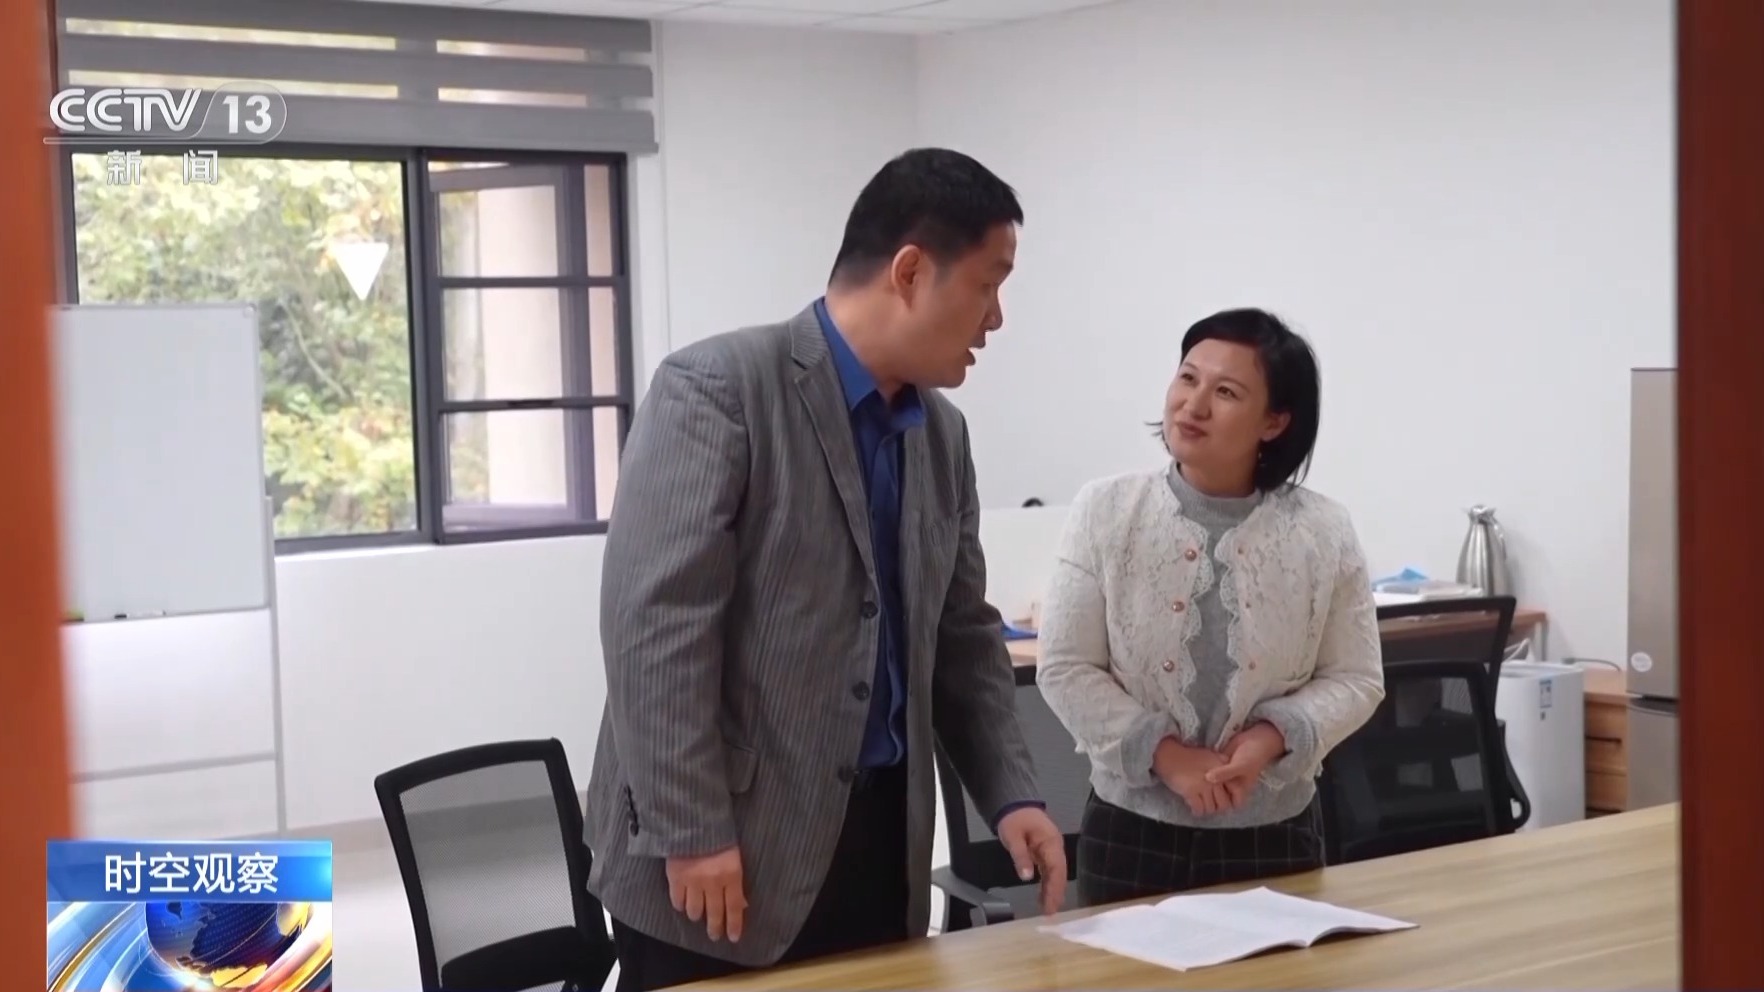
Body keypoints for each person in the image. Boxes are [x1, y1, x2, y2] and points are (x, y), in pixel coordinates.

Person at [585, 147, 1068, 991]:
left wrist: (1012, 793)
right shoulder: (718, 389)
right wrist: (691, 830)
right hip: (725, 846)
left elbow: (962, 635)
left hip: (879, 844)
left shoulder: (941, 436)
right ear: (910, 272)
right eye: (988, 285)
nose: (995, 319)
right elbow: (654, 629)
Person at [1036, 307, 1384, 907]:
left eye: (1225, 392)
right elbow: (1065, 667)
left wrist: (1269, 739)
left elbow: (1357, 677)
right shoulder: (1106, 510)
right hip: (1132, 834)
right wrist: (1167, 757)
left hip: (1275, 833)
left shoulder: (1323, 530)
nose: (1192, 405)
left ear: (1274, 421)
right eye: (1188, 378)